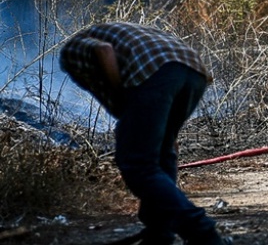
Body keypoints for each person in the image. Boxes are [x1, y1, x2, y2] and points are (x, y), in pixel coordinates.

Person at [59, 22, 231, 245]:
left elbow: (103, 51)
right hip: (193, 71)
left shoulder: (71, 51)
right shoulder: (123, 32)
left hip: (155, 72)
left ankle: (203, 233)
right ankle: (160, 232)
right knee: (162, 153)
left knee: (137, 164)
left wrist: (120, 93)